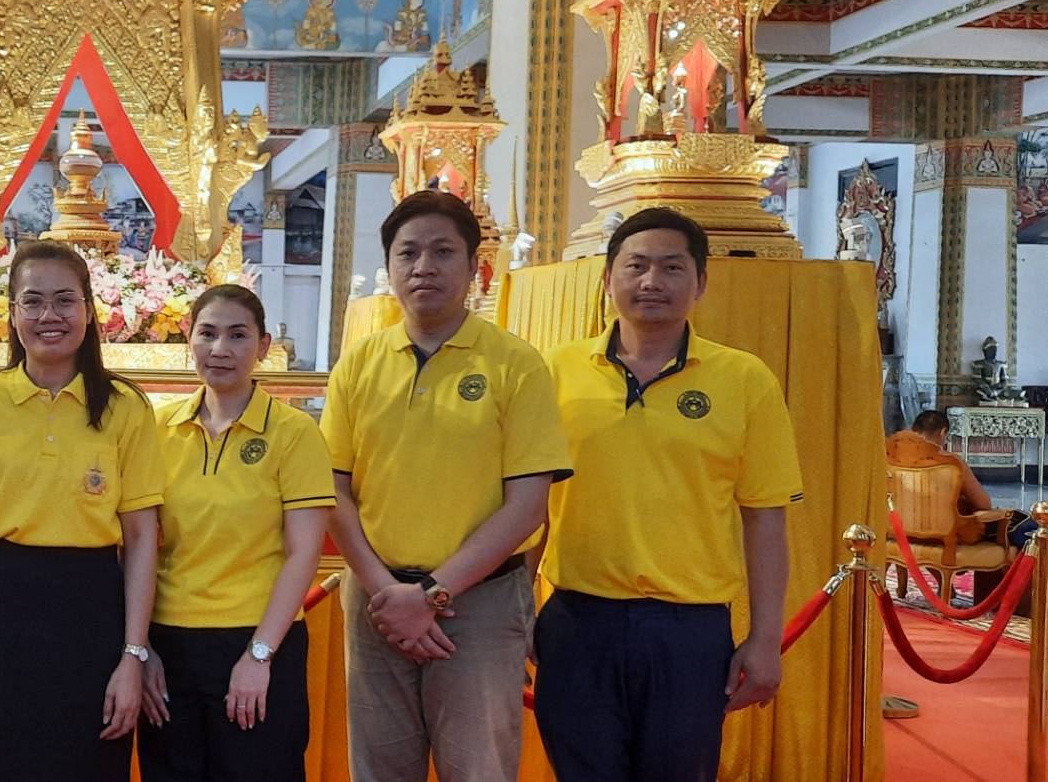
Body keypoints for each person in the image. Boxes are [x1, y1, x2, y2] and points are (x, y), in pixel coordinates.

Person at [533, 208, 802, 782]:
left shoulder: (744, 379)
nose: (652, 281)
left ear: (700, 283)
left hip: (689, 631)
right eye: (636, 266)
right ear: (607, 279)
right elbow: (528, 510)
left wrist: (765, 640)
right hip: (578, 622)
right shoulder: (554, 372)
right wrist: (512, 621)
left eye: (672, 267)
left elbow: (765, 519)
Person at [320, 190, 572, 782]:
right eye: (408, 253)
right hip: (377, 601)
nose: (423, 267)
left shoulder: (515, 364)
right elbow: (332, 488)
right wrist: (388, 593)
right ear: (390, 267)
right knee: (379, 769)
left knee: (478, 768)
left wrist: (431, 594)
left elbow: (527, 506)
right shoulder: (359, 362)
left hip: (478, 604)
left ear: (475, 267)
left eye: (442, 252)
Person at [0, 239, 166, 782]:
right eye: (32, 302)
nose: (48, 316)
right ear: (12, 314)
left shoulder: (126, 408)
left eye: (64, 301)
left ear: (89, 311)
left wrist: (132, 654)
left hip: (92, 616)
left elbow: (141, 538)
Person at [138, 284, 333, 782]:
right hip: (169, 644)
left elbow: (303, 553)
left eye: (238, 335)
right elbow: (135, 545)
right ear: (189, 338)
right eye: (207, 333)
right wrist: (142, 649)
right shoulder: (157, 430)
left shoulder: (293, 433)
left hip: (258, 638)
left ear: (263, 346)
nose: (220, 349)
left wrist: (259, 655)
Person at [888, 410, 1034, 549]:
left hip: (902, 531)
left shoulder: (893, 459)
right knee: (1026, 525)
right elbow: (983, 504)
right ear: (942, 432)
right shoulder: (950, 463)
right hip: (950, 534)